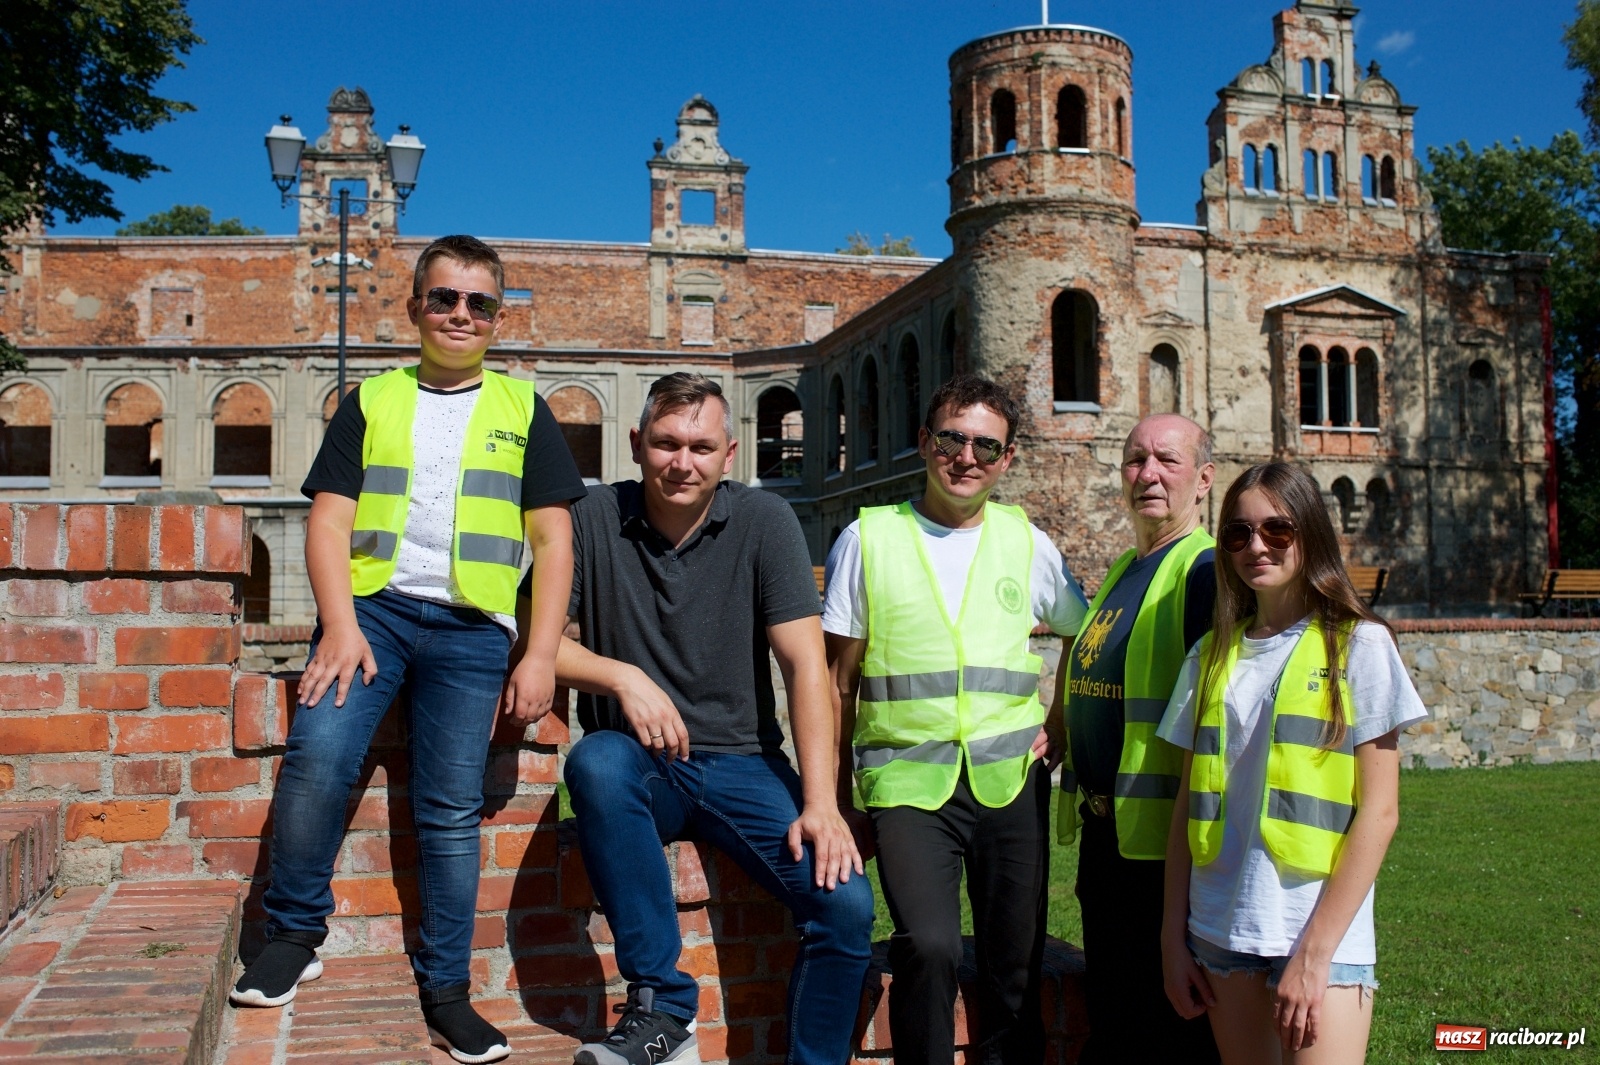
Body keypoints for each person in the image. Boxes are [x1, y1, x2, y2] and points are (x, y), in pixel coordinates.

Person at [230, 235, 585, 1065]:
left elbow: (554, 541)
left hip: (472, 628)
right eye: (445, 298)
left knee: (450, 808)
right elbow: (328, 521)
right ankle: (293, 935)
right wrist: (340, 623)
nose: (462, 314)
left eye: (480, 302)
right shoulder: (373, 399)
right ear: (415, 306)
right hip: (372, 613)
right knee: (318, 756)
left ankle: (448, 991)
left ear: (499, 317)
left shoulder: (525, 408)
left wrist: (539, 653)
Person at [537, 372, 874, 1065]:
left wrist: (821, 802)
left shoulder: (764, 521)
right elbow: (536, 645)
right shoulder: (591, 516)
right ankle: (662, 1013)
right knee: (597, 760)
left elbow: (806, 667)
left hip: (745, 764)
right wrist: (622, 676)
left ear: (730, 453)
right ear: (637, 443)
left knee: (845, 908)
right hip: (643, 767)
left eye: (701, 447)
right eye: (666, 443)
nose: (682, 462)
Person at [824, 374, 1089, 1064]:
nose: (967, 457)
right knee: (929, 945)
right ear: (924, 442)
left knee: (1015, 962)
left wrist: (1059, 723)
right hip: (907, 785)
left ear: (1007, 458)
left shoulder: (1027, 542)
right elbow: (836, 684)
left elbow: (1080, 630)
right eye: (952, 439)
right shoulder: (868, 538)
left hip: (1011, 781)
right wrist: (835, 801)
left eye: (986, 445)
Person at [1158, 462, 1425, 1063]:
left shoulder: (1359, 643)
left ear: (1310, 532)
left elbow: (1380, 813)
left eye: (1277, 529)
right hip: (1219, 930)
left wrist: (1314, 955)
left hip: (1319, 935)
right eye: (1238, 533)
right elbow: (1185, 809)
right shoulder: (1208, 656)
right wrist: (1171, 938)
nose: (1257, 546)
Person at [1058, 413, 1221, 1064]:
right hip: (1110, 839)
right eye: (1135, 459)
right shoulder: (1128, 567)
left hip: (1165, 852)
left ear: (1204, 480)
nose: (1148, 473)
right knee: (1120, 1024)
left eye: (1168, 460)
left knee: (1169, 1034)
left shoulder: (1203, 572)